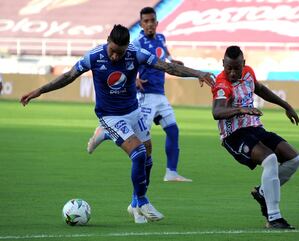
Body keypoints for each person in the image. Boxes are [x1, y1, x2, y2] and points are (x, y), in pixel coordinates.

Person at [20, 24, 214, 224]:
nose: (115, 57)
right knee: (137, 153)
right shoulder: (94, 57)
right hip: (110, 115)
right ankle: (142, 200)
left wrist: (198, 73)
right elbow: (69, 76)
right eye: (113, 51)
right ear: (107, 41)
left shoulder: (135, 54)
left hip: (133, 111)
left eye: (119, 53)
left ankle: (134, 204)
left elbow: (167, 66)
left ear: (127, 47)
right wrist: (39, 91)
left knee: (147, 157)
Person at [87, 7, 192, 182]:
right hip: (145, 95)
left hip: (160, 93)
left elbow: (162, 58)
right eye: (146, 21)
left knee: (173, 130)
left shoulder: (161, 38)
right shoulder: (136, 43)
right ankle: (105, 133)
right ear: (141, 24)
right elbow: (126, 61)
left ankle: (171, 172)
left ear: (157, 22)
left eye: (152, 20)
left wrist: (172, 62)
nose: (150, 24)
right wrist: (134, 78)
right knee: (140, 141)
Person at [211, 46, 299, 229]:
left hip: (254, 127)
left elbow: (260, 89)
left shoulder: (249, 73)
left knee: (294, 159)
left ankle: (262, 193)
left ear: (244, 64)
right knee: (270, 159)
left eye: (237, 68)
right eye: (229, 68)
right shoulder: (222, 83)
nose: (233, 72)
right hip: (233, 135)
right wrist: (240, 109)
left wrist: (285, 105)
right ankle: (274, 217)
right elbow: (217, 111)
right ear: (223, 64)